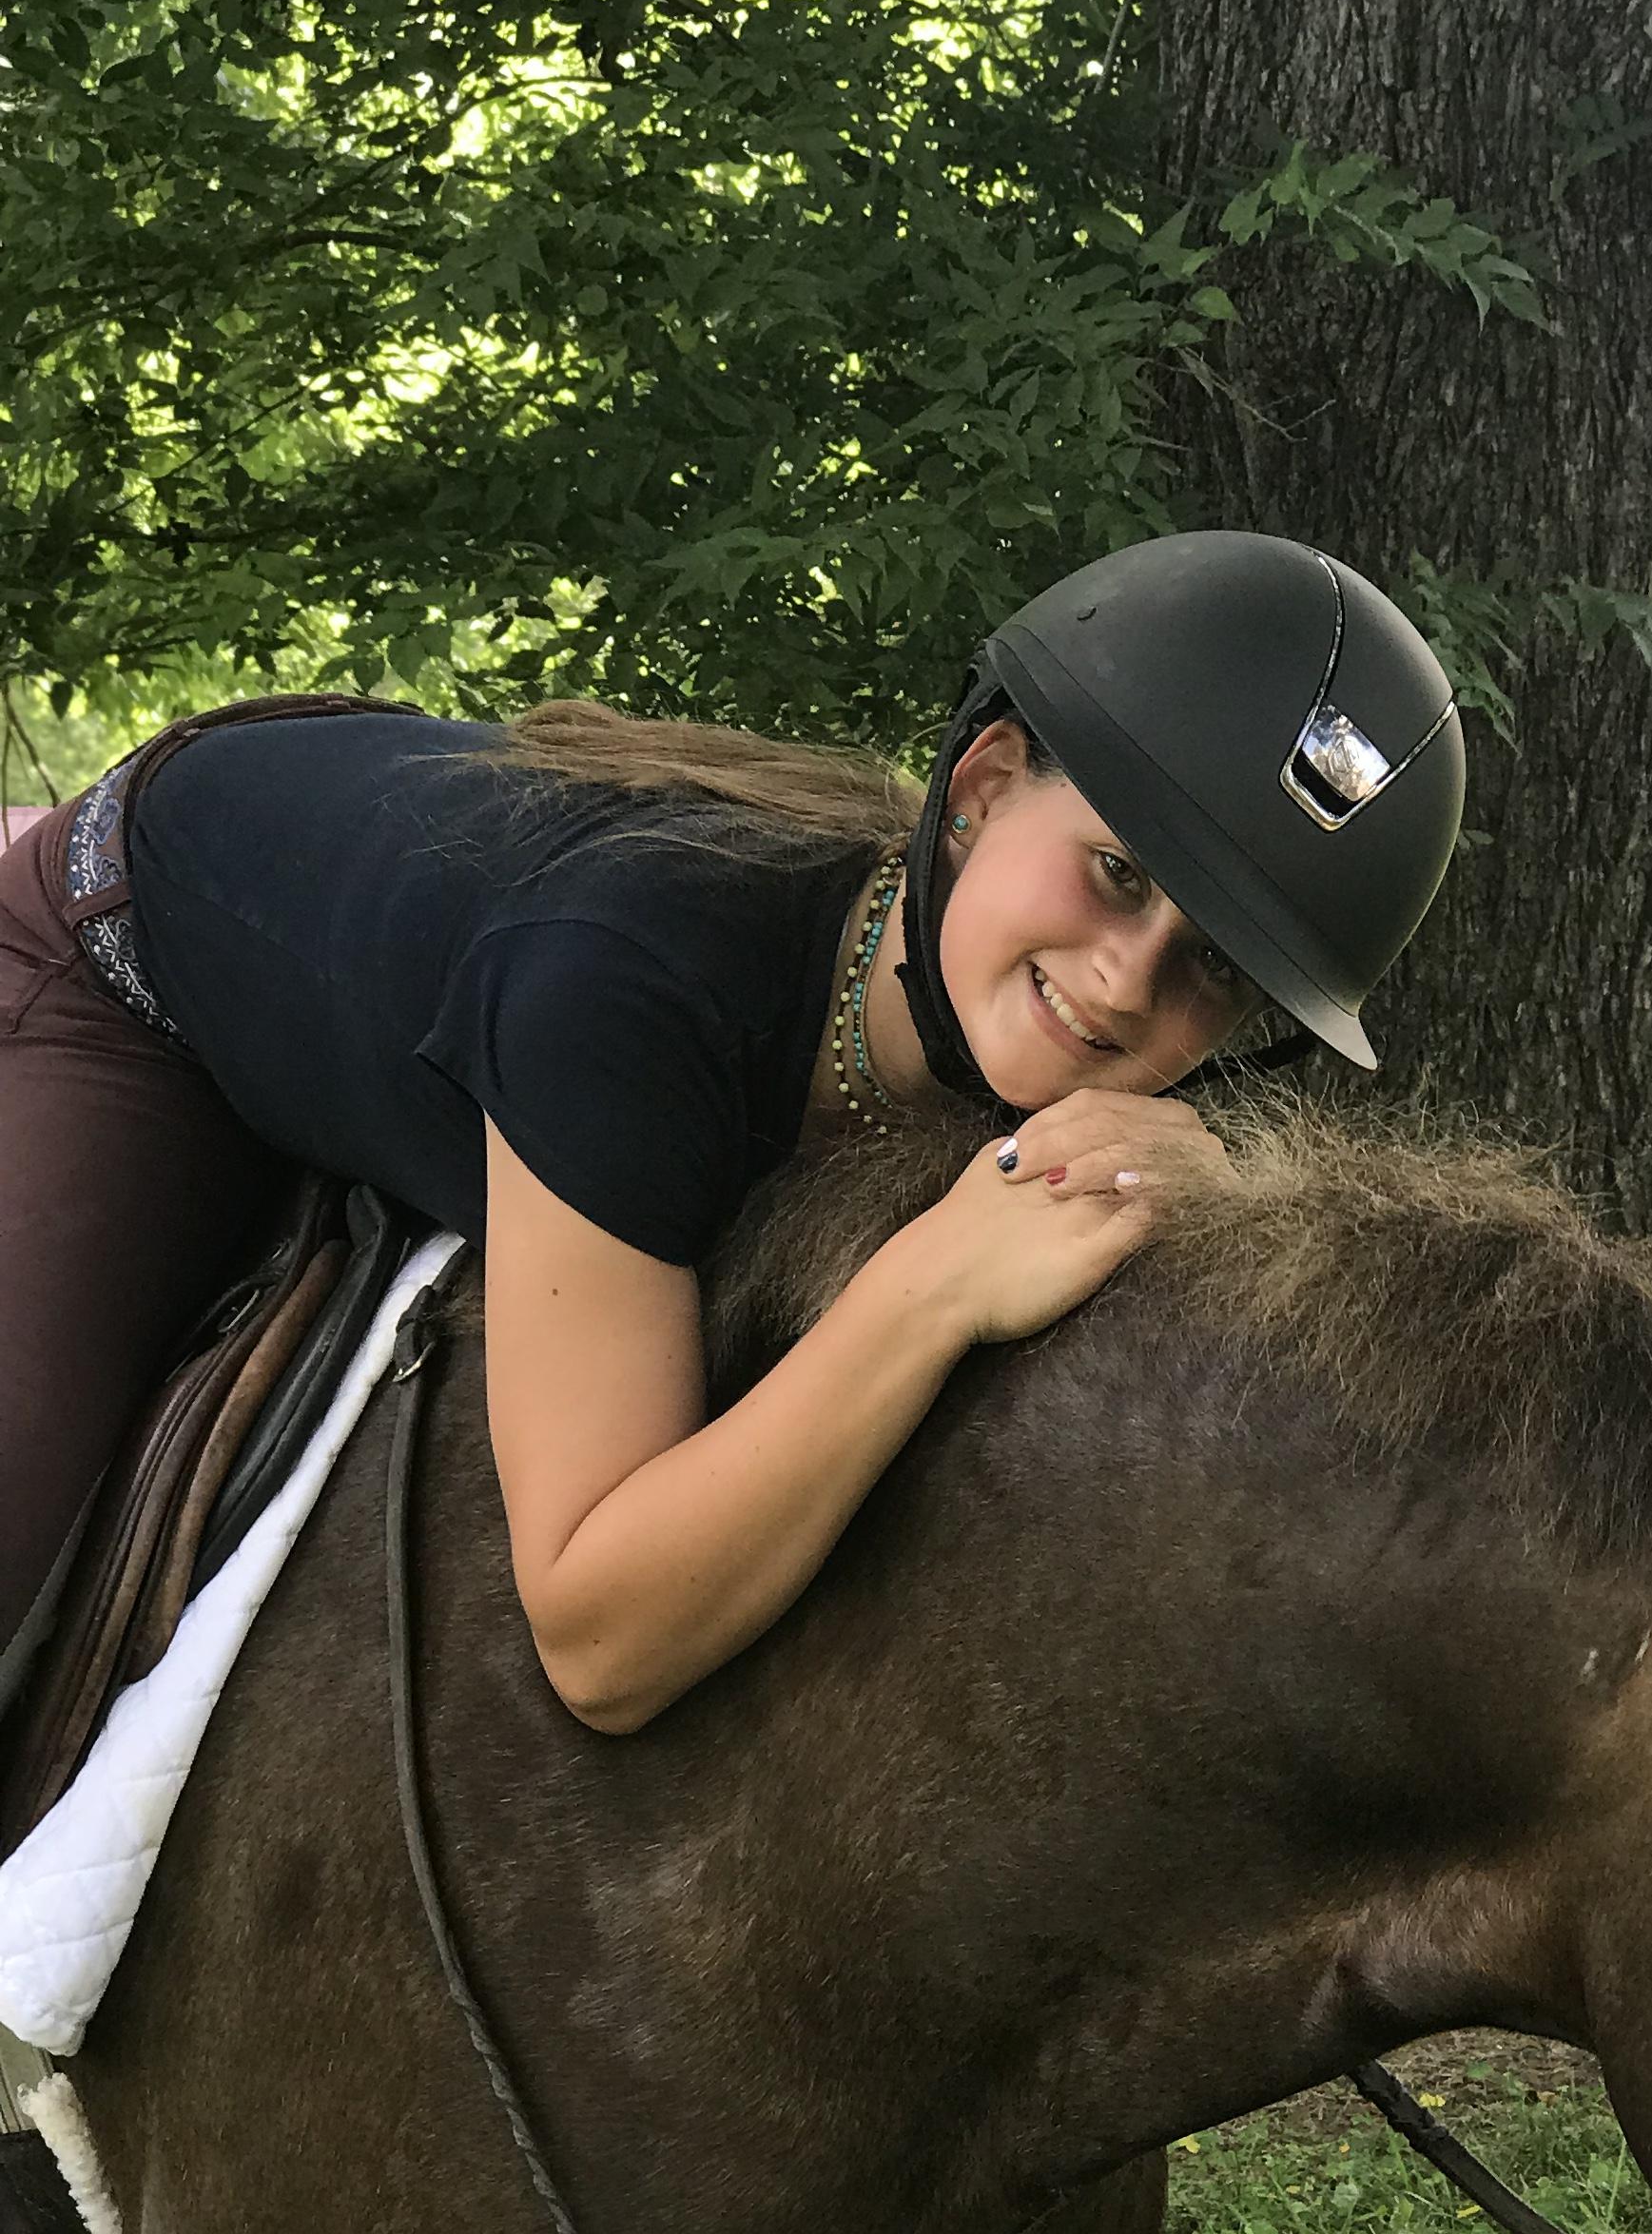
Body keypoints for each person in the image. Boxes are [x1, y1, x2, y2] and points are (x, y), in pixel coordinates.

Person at [0, 531, 1463, 1739]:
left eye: (1217, 968)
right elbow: (597, 1636)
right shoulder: (631, 984)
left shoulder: (961, 990)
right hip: (125, 964)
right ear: (981, 787)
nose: (1127, 982)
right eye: (1117, 872)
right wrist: (936, 1281)